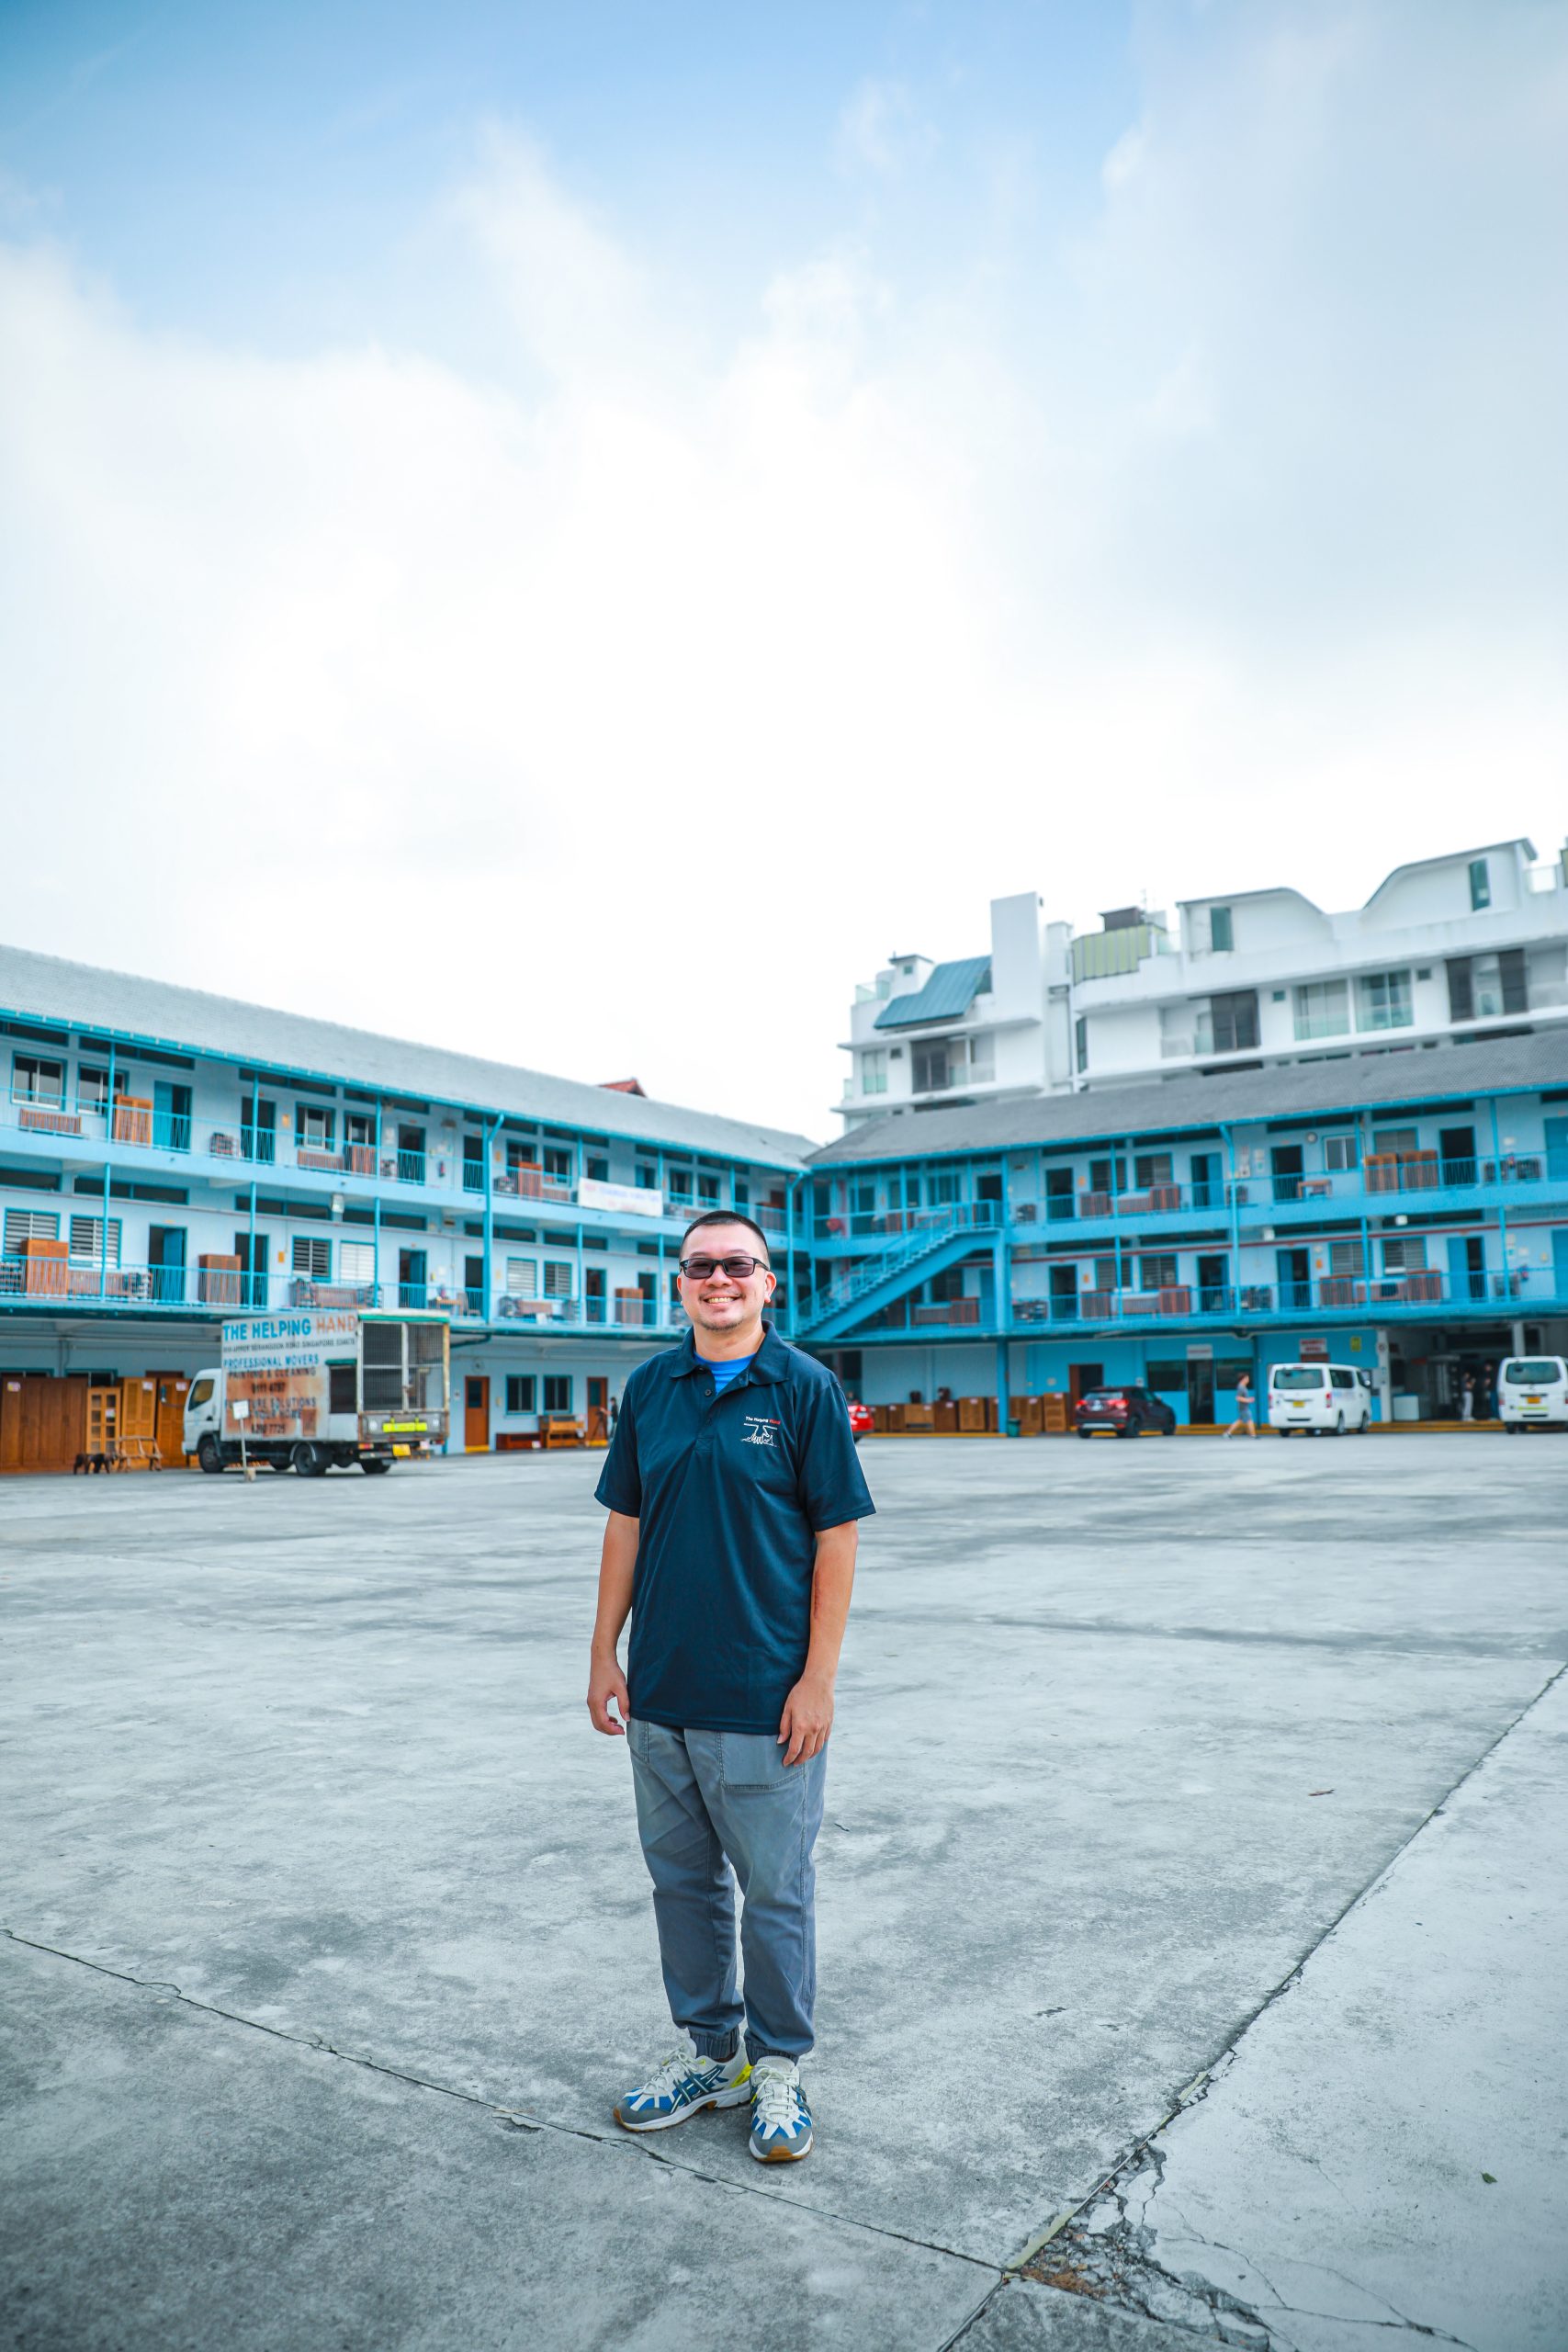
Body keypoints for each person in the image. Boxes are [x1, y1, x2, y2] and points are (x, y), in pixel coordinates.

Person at [587, 1210, 874, 2165]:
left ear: (767, 1282)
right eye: (701, 1266)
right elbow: (624, 1526)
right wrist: (604, 1652)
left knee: (777, 1891)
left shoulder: (802, 1390)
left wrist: (818, 1680)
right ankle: (712, 2055)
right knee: (681, 1885)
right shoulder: (651, 1388)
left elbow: (837, 1537)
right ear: (680, 1283)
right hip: (662, 1694)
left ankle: (781, 2061)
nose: (719, 1279)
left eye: (737, 1265)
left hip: (764, 1697)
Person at [1224, 1370, 1258, 1439]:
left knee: (1239, 1421)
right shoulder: (1241, 1387)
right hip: (1244, 1408)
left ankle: (1228, 1433)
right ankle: (1253, 1435)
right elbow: (1238, 1398)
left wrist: (1248, 1400)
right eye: (1247, 1378)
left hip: (1243, 1407)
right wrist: (1248, 1400)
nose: (1248, 1380)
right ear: (1243, 1379)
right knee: (1250, 1420)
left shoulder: (1243, 1386)